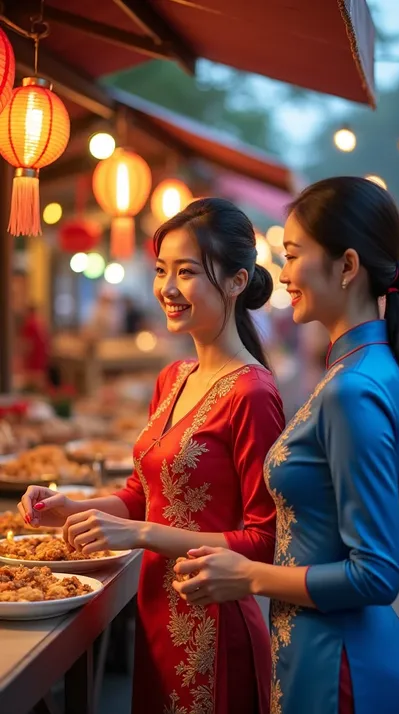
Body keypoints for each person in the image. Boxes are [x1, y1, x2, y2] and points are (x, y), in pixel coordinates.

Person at [173, 177, 399, 714]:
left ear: (346, 266)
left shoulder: (352, 388)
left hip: (343, 674)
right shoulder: (356, 368)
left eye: (293, 255)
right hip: (325, 658)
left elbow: (377, 573)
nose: (285, 274)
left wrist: (248, 575)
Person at [19, 198, 285, 714]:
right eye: (162, 270)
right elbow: (144, 495)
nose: (166, 287)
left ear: (237, 281)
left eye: (186, 271)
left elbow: (263, 542)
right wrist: (71, 509)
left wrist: (140, 535)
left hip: (214, 627)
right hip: (157, 611)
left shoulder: (252, 393)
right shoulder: (174, 377)